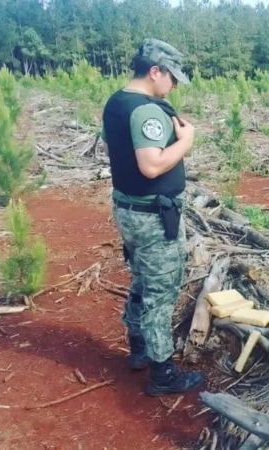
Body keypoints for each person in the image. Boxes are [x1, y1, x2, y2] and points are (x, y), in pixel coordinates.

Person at [101, 38, 205, 397]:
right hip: (153, 217)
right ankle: (163, 373)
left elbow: (114, 148)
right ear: (155, 71)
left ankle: (139, 348)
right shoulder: (146, 111)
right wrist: (187, 141)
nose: (173, 85)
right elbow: (151, 165)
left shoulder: (117, 102)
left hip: (129, 210)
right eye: (172, 77)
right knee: (160, 292)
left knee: (142, 280)